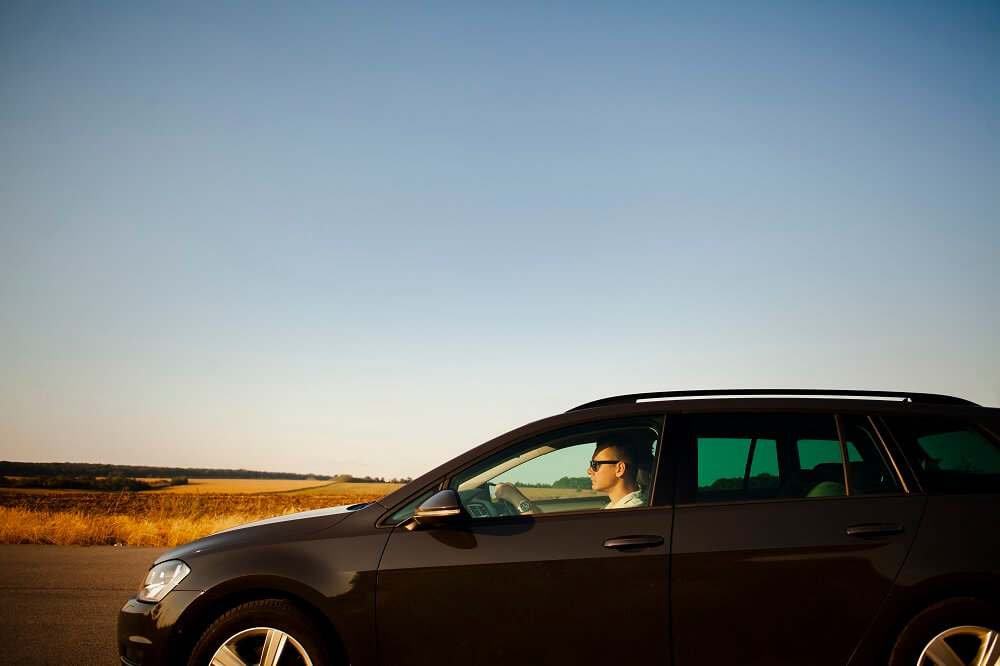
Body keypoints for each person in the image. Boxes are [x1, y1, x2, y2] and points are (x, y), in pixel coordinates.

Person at [494, 436, 651, 514]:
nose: (589, 471)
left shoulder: (630, 511)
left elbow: (552, 536)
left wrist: (514, 497)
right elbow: (549, 528)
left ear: (619, 469)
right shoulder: (615, 507)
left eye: (595, 465)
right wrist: (518, 496)